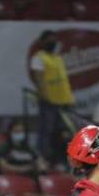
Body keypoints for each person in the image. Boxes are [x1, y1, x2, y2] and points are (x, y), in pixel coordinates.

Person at [30, 29, 75, 165]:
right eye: (49, 40)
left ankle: (60, 159)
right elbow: (39, 79)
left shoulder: (58, 58)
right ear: (42, 42)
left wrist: (69, 98)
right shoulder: (39, 57)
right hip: (49, 101)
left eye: (54, 40)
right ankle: (44, 158)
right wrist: (44, 96)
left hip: (64, 101)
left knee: (63, 133)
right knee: (46, 131)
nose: (52, 43)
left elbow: (63, 80)